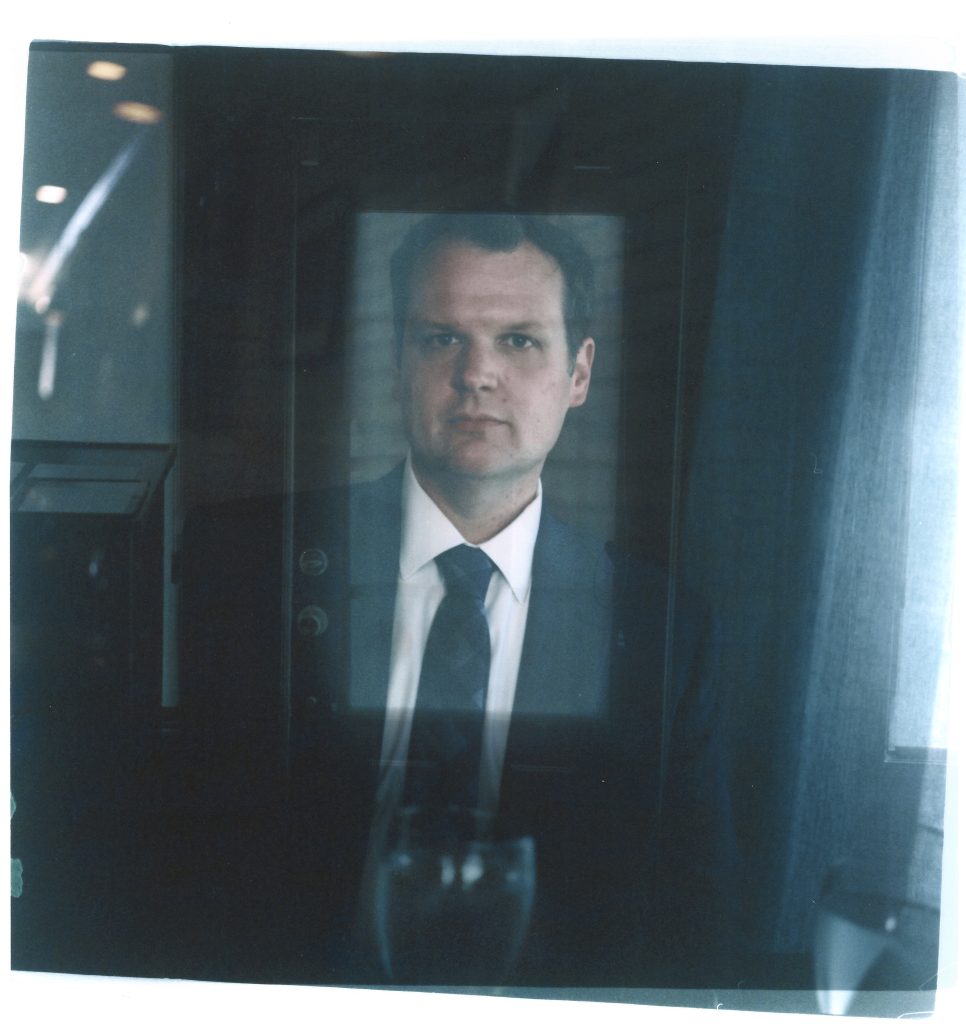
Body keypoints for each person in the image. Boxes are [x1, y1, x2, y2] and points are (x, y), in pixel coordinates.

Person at [182, 213, 736, 989]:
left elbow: (694, 922)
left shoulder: (665, 630)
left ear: (579, 374)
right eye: (441, 338)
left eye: (519, 340)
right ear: (396, 362)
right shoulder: (243, 564)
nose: (477, 374)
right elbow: (176, 864)